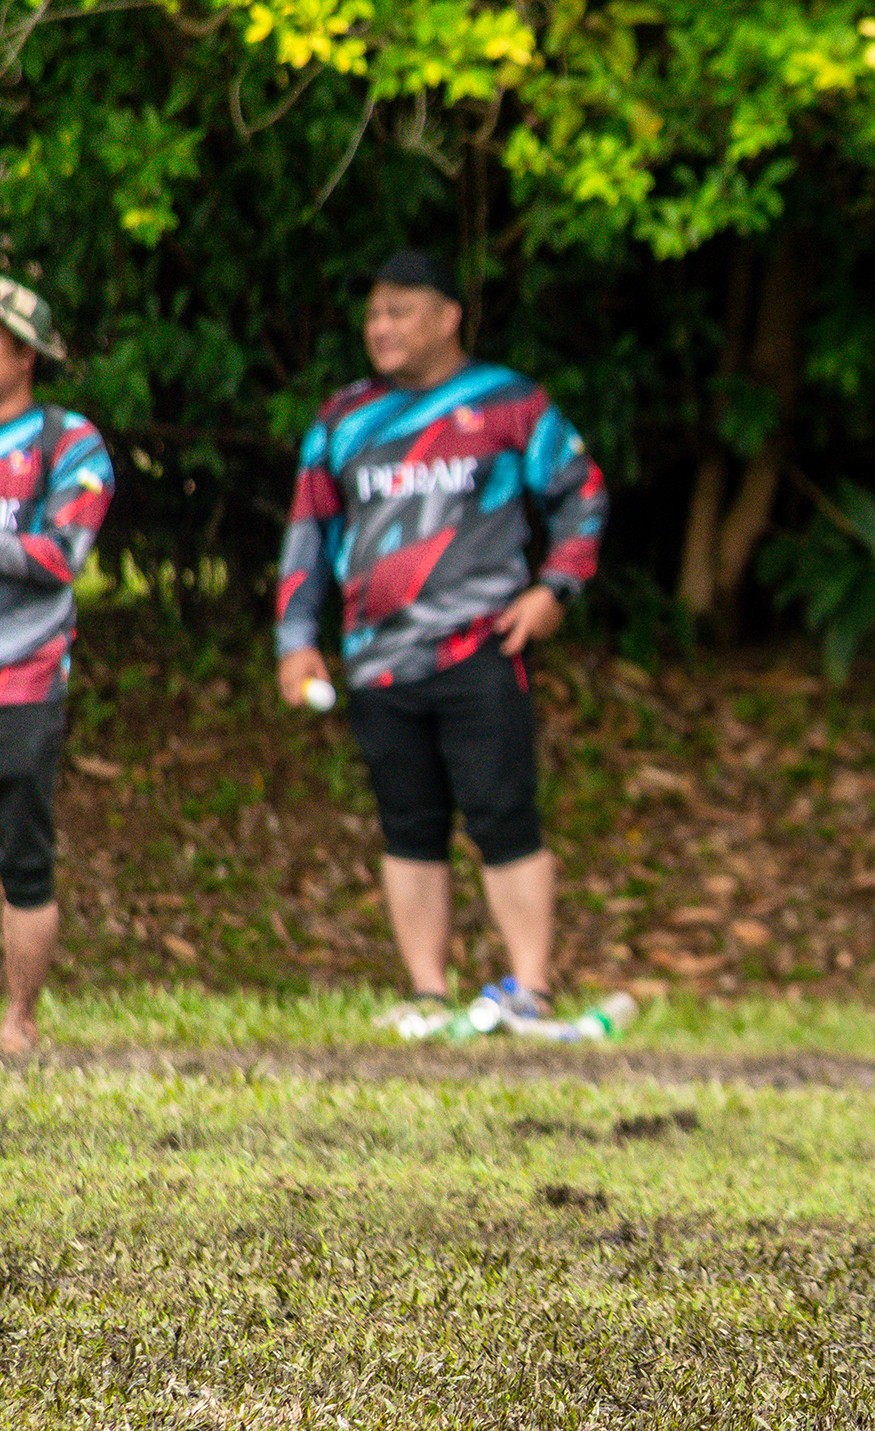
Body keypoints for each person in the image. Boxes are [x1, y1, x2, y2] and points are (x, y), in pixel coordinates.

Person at [274, 249, 607, 1030]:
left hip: (482, 648)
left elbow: (583, 494)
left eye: (399, 311)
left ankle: (531, 991)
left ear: (449, 317)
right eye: (373, 314)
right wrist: (295, 638)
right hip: (377, 660)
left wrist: (555, 589)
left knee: (503, 815)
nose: (380, 328)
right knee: (409, 826)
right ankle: (428, 994)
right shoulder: (342, 418)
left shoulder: (508, 403)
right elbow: (309, 531)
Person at [0, 277, 114, 1053]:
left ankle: (20, 1020)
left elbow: (62, 553)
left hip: (25, 679)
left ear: (25, 355)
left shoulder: (69, 442)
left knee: (23, 858)